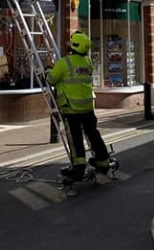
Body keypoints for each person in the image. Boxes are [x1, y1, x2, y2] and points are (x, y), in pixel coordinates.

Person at [46, 32, 111, 181]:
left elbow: (51, 79)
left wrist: (48, 69)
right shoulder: (87, 62)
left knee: (75, 139)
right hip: (88, 108)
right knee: (93, 134)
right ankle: (103, 161)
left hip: (71, 108)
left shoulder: (64, 63)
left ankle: (78, 168)